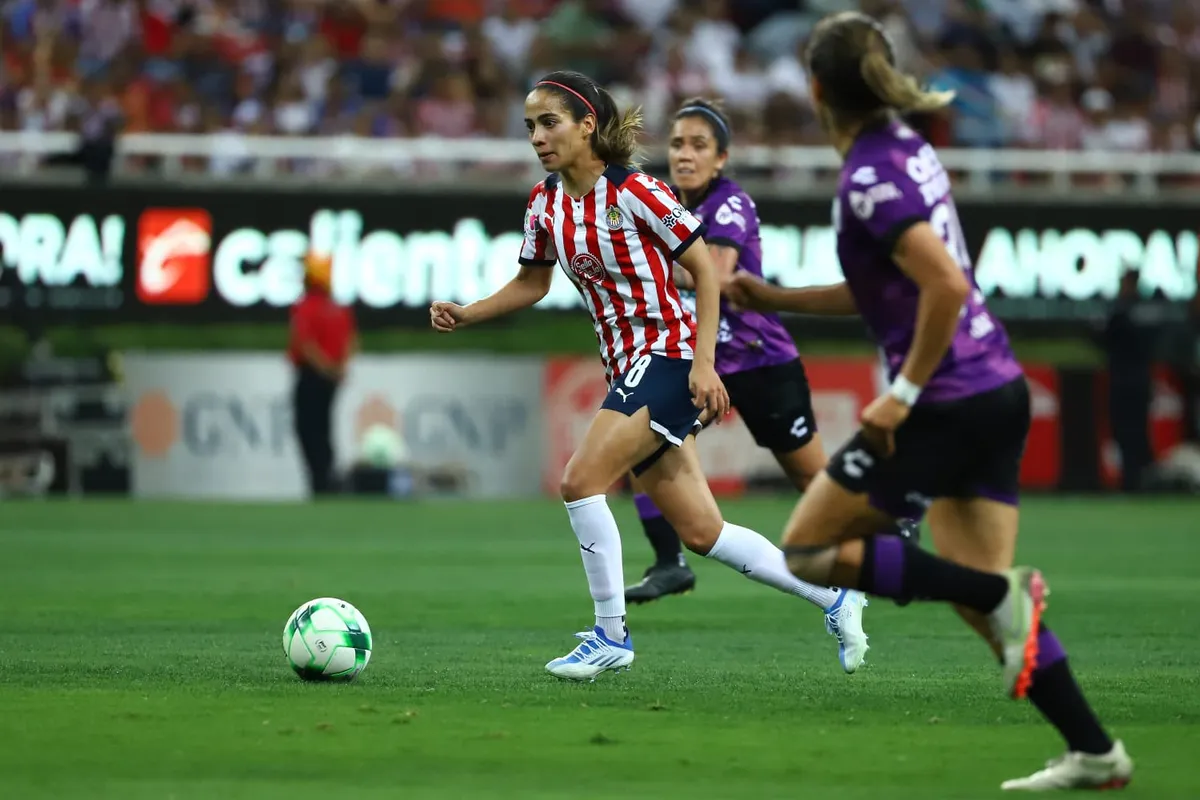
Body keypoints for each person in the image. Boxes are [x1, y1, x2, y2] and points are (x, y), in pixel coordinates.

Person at [723, 13, 1132, 791]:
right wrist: (775, 296)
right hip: (996, 389)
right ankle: (1095, 752)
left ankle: (1001, 592)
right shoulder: (910, 151)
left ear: (814, 90)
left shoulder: (868, 180)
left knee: (811, 548)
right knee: (994, 618)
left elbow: (943, 282)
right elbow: (891, 285)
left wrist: (900, 395)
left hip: (943, 401)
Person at [429, 69, 868, 682]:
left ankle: (611, 636)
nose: (537, 137)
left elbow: (707, 274)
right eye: (530, 126)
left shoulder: (638, 191)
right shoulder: (544, 203)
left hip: (666, 354)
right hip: (626, 366)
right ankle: (836, 596)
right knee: (701, 531)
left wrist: (705, 363)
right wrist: (468, 311)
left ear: (588, 126)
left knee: (580, 480)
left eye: (549, 123)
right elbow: (533, 282)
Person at [625, 99, 918, 653]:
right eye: (678, 144)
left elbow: (717, 272)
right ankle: (670, 563)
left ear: (721, 159)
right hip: (703, 364)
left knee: (813, 481)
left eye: (698, 146)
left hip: (760, 362)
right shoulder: (662, 204)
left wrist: (637, 265)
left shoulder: (729, 203)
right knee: (638, 445)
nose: (685, 155)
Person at [289, 253, 356, 497]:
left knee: (308, 429)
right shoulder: (338, 308)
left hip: (312, 376)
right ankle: (326, 480)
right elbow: (350, 341)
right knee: (324, 428)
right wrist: (339, 369)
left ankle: (321, 483)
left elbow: (305, 345)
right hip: (331, 378)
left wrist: (326, 368)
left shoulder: (306, 306)